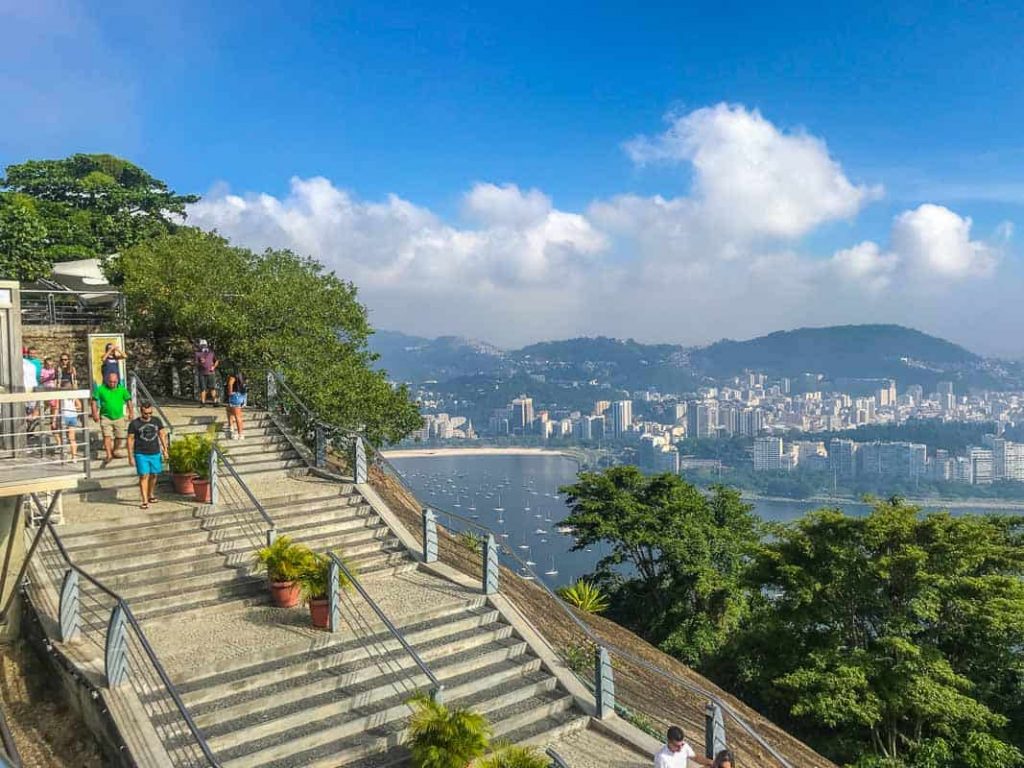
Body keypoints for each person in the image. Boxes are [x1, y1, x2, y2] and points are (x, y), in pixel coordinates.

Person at [127, 403, 168, 509]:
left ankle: (151, 494)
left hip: (155, 452)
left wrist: (165, 449)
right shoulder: (134, 424)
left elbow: (162, 434)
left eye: (150, 413)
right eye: (146, 413)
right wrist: (130, 456)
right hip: (141, 453)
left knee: (154, 474)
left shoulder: (156, 420)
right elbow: (130, 439)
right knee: (144, 475)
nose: (148, 415)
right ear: (141, 412)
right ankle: (144, 500)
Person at [91, 371, 134, 465]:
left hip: (119, 417)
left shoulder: (122, 389)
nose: (112, 384)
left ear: (117, 381)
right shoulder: (100, 389)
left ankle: (114, 450)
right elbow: (94, 401)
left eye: (114, 382)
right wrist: (94, 413)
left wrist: (131, 412)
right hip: (105, 417)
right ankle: (108, 454)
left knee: (119, 436)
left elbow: (129, 401)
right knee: (107, 436)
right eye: (110, 381)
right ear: (107, 380)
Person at [56, 381, 83, 462]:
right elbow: (79, 405)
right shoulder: (73, 395)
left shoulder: (61, 396)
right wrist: (74, 409)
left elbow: (57, 407)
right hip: (73, 416)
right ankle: (74, 457)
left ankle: (64, 455)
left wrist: (54, 418)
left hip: (64, 416)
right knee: (72, 438)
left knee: (61, 436)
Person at [225, 367, 247, 440]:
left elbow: (230, 383)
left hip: (235, 395)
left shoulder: (233, 374)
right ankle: (231, 427)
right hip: (242, 395)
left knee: (238, 416)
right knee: (228, 409)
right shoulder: (243, 374)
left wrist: (230, 393)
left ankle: (240, 434)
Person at [194, 340, 219, 406]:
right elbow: (196, 363)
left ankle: (215, 402)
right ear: (200, 346)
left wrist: (213, 367)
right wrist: (200, 363)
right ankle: (202, 402)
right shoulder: (197, 353)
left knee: (212, 388)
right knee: (203, 388)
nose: (203, 346)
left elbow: (216, 361)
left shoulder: (211, 353)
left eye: (204, 345)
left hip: (211, 373)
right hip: (202, 373)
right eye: (202, 345)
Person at [40, 356, 58, 427]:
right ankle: (40, 417)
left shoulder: (53, 370)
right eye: (48, 364)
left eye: (51, 365)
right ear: (45, 364)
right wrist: (48, 378)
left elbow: (55, 380)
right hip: (46, 389)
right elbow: (41, 381)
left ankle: (52, 420)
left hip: (53, 389)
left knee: (53, 405)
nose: (49, 366)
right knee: (46, 405)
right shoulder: (43, 370)